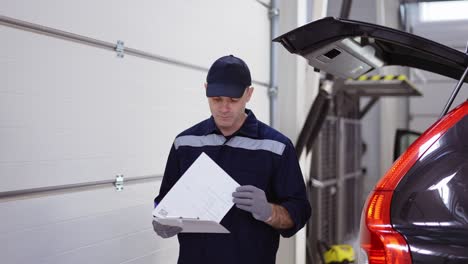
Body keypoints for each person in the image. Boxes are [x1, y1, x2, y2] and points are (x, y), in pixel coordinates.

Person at [153, 55, 311, 264]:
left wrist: (269, 211)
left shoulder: (276, 147)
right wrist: (162, 220)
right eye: (216, 99)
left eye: (233, 100)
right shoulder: (185, 143)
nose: (224, 108)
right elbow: (165, 201)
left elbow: (299, 212)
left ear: (249, 94)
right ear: (206, 89)